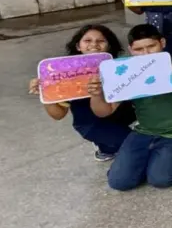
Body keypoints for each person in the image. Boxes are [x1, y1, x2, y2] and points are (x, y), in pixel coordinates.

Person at [89, 24, 172, 191]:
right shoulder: (127, 70)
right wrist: (97, 94)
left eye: (152, 46)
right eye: (139, 49)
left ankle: (165, 158)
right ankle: (147, 161)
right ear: (130, 50)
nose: (146, 53)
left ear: (162, 43)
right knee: (119, 182)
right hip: (143, 131)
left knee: (160, 179)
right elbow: (104, 111)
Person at [28, 24, 135, 161]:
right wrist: (47, 94)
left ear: (109, 45)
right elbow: (58, 115)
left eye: (101, 41)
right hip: (92, 124)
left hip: (120, 115)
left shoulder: (117, 67)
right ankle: (106, 147)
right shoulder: (64, 74)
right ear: (78, 46)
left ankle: (116, 141)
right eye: (87, 41)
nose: (94, 45)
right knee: (136, 147)